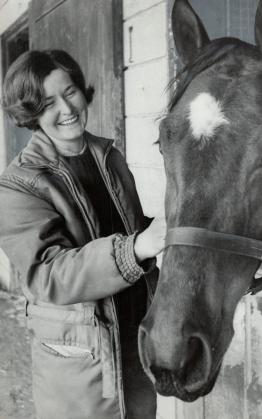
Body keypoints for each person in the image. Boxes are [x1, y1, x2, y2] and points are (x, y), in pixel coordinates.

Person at [0, 50, 166, 419]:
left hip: (135, 338)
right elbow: (48, 275)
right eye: (47, 103)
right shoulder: (17, 185)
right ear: (31, 114)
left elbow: (133, 229)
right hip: (82, 358)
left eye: (70, 91)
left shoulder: (109, 156)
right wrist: (137, 247)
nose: (67, 108)